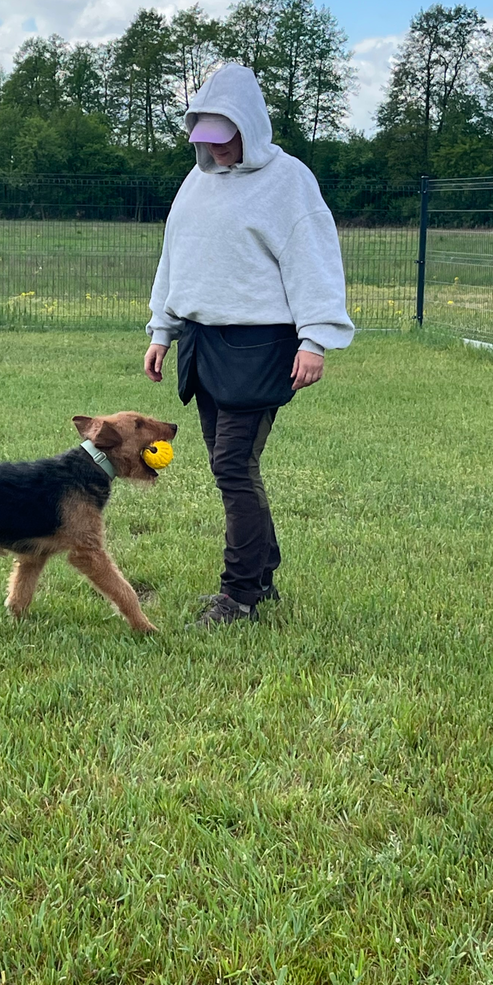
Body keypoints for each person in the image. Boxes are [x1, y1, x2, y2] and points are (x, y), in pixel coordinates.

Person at [143, 63, 354, 627]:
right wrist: (162, 330)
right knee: (229, 464)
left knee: (234, 465)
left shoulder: (289, 181)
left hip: (261, 347)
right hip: (201, 343)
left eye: (226, 136)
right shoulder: (195, 183)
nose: (216, 149)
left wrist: (315, 339)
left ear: (250, 126)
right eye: (206, 139)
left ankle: (238, 596)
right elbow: (175, 259)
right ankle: (261, 577)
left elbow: (314, 261)